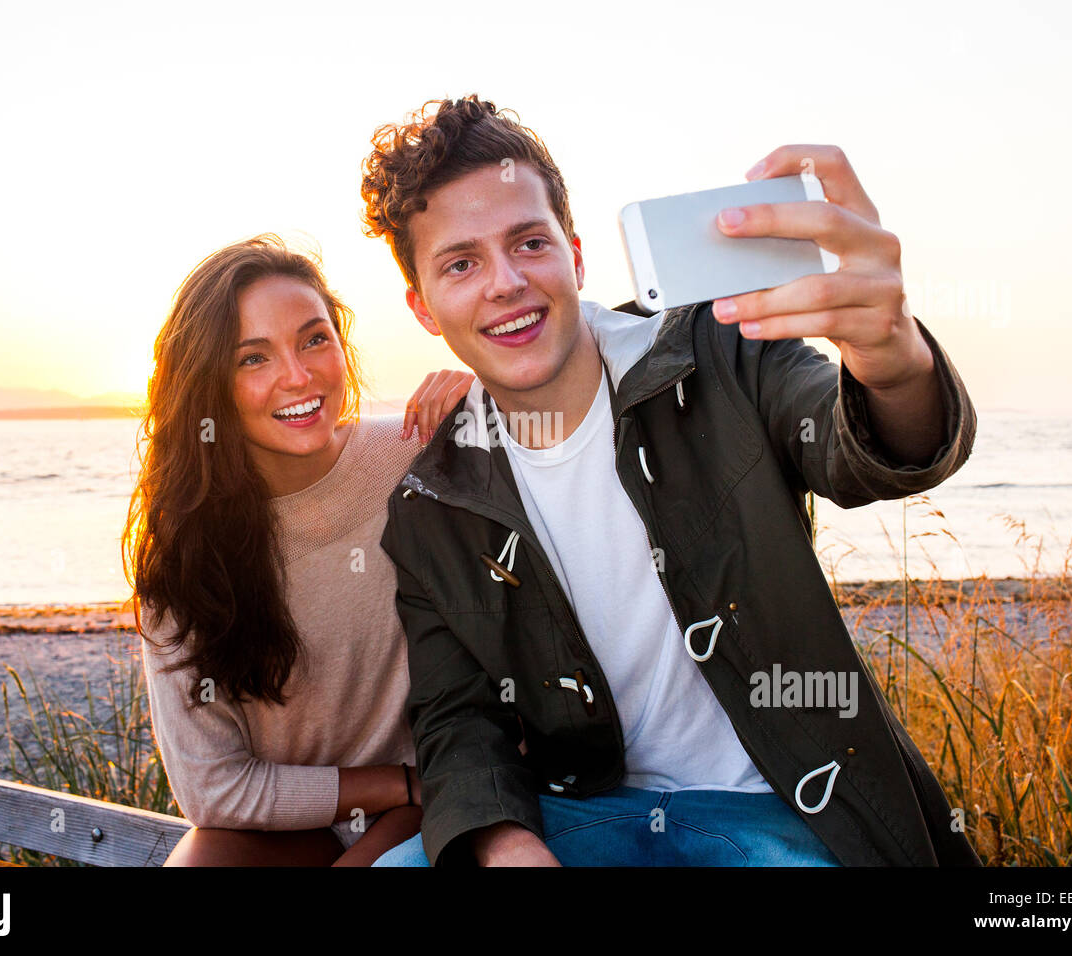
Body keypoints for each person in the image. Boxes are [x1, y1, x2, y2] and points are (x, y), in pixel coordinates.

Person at [359, 96, 983, 866]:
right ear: (423, 307)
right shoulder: (432, 504)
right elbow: (459, 723)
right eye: (461, 263)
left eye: (528, 242)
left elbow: (869, 449)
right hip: (584, 813)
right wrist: (506, 845)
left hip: (785, 809)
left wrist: (890, 356)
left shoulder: (715, 352)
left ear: (576, 253)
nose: (506, 282)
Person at [123, 234, 471, 865]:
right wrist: (392, 783)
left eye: (314, 338)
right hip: (294, 824)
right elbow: (210, 787)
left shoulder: (414, 455)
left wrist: (488, 397)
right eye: (252, 359)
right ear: (209, 388)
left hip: (437, 803)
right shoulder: (185, 548)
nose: (297, 375)